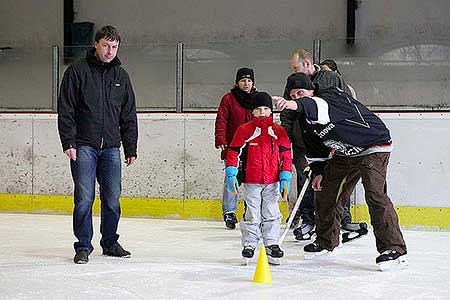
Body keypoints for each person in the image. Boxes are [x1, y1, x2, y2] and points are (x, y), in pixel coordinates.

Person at [275, 73, 408, 270]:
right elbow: (315, 149)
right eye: (293, 96)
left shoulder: (331, 97)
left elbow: (314, 106)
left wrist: (291, 104)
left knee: (374, 193)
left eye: (300, 93)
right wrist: (319, 171)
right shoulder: (304, 121)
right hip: (345, 152)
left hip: (373, 146)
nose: (297, 98)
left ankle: (394, 249)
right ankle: (326, 241)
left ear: (311, 90)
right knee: (325, 192)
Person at [58, 25, 138, 264]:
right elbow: (66, 109)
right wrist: (68, 141)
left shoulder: (121, 76)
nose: (110, 51)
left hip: (112, 147)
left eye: (114, 47)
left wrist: (130, 146)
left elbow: (128, 114)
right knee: (84, 197)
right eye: (106, 45)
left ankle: (110, 242)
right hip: (83, 145)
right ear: (96, 44)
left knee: (112, 198)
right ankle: (83, 246)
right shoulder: (77, 71)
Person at [282, 48, 367, 241]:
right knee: (307, 180)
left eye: (296, 67)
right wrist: (286, 137)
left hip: (330, 140)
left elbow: (347, 105)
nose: (294, 71)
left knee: (335, 180)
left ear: (307, 63)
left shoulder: (331, 78)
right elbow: (287, 112)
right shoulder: (294, 82)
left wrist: (344, 135)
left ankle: (342, 220)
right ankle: (308, 220)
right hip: (303, 141)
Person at [225, 92, 292, 264]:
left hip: (272, 180)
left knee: (271, 211)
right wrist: (231, 171)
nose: (262, 112)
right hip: (251, 180)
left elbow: (286, 155)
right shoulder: (244, 130)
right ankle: (249, 244)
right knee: (252, 212)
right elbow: (233, 152)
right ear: (252, 111)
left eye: (265, 108)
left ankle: (272, 244)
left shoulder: (279, 131)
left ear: (271, 111)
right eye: (258, 109)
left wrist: (285, 176)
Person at [215, 67, 257, 229]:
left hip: (254, 148)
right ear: (237, 82)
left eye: (249, 80)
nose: (246, 84)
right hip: (233, 146)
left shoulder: (257, 99)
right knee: (231, 179)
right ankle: (229, 212)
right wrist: (220, 139)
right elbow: (222, 120)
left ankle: (250, 208)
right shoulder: (228, 99)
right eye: (243, 80)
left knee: (252, 179)